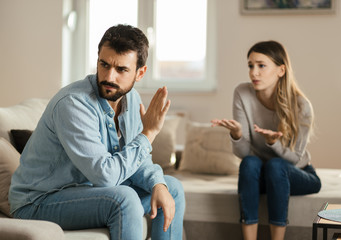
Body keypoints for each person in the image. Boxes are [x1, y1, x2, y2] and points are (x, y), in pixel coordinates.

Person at [9, 24, 185, 240]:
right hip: (39, 201)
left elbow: (137, 161)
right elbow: (105, 177)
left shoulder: (132, 100)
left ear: (140, 73)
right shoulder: (73, 104)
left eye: (121, 70)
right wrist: (148, 134)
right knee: (124, 198)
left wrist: (158, 182)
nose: (109, 77)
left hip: (88, 193)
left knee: (171, 188)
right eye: (104, 64)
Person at [211, 40, 321, 240]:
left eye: (261, 66)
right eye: (250, 66)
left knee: (276, 165)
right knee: (250, 162)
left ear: (281, 70)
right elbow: (244, 154)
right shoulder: (242, 93)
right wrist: (237, 135)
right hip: (261, 174)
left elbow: (295, 159)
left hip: (297, 173)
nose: (254, 72)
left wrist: (273, 143)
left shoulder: (301, 105)